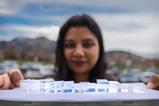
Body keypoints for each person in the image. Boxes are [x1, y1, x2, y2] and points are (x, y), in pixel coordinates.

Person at [0, 14, 159, 90]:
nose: (78, 52)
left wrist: (149, 95)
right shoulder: (41, 89)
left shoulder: (119, 91)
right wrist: (10, 88)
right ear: (61, 49)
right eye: (70, 45)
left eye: (88, 44)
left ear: (100, 48)